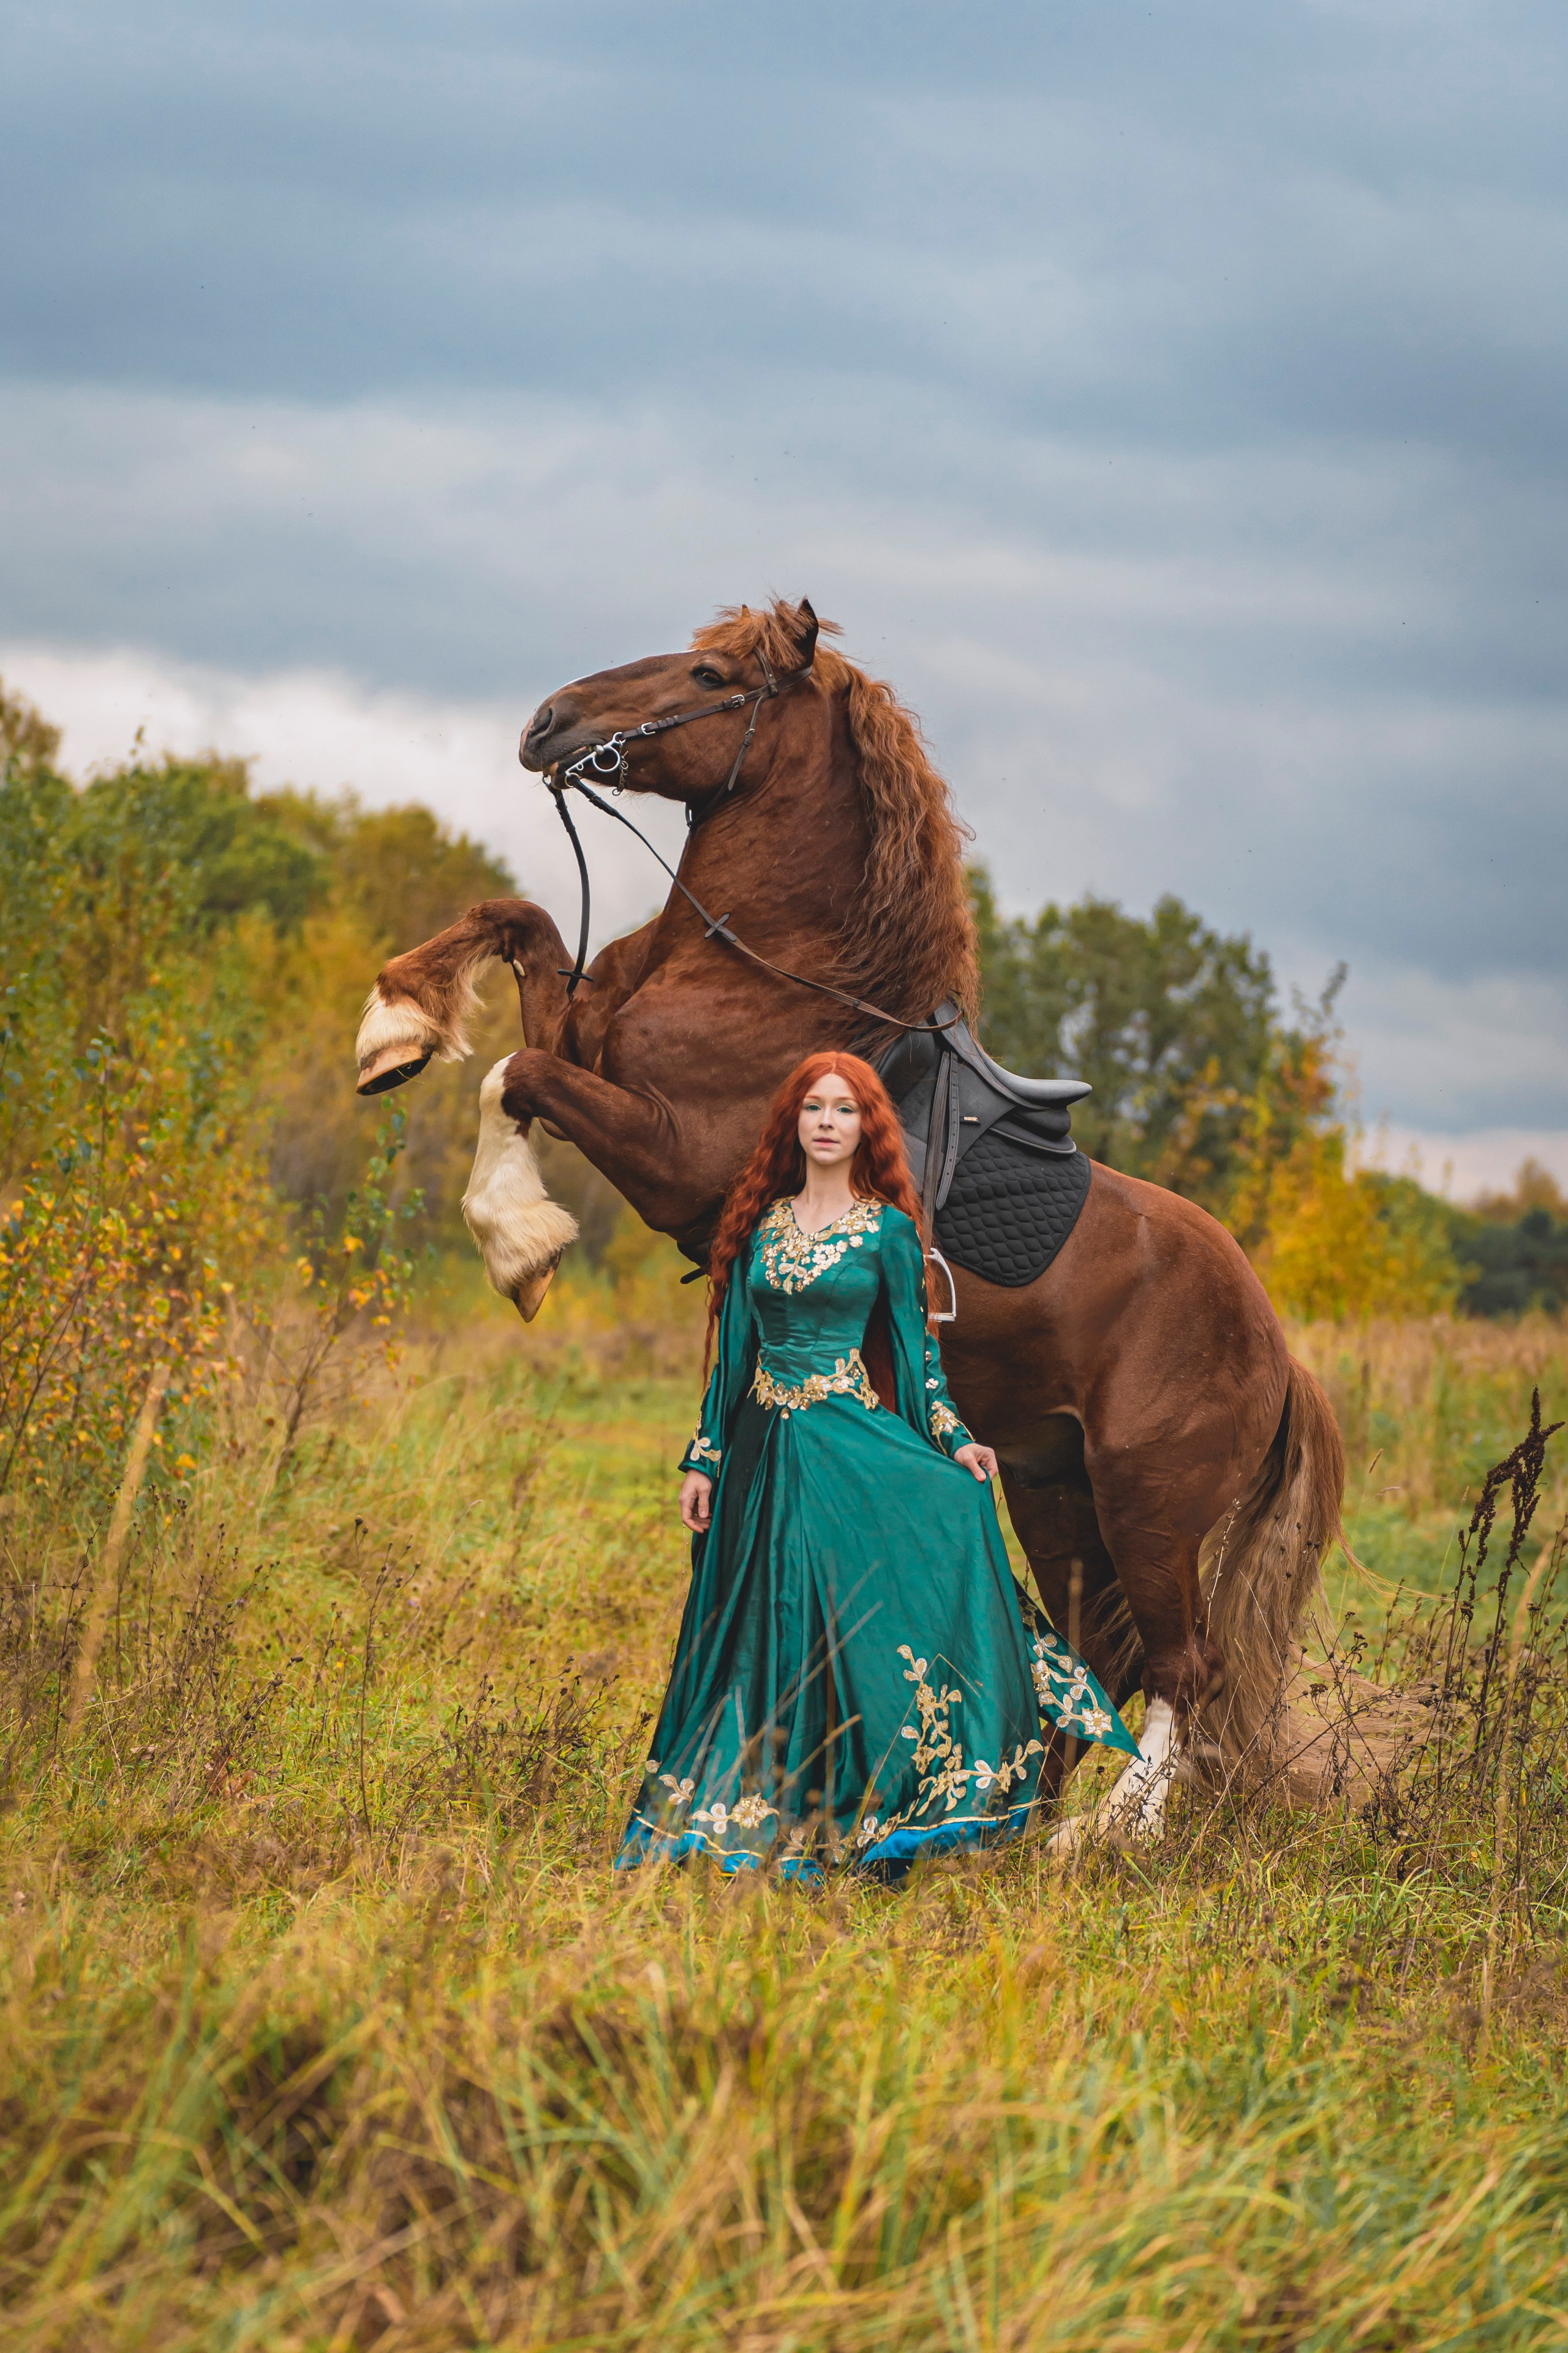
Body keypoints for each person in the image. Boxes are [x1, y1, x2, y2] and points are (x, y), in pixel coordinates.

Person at [614, 1051, 1136, 1879]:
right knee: (760, 1629)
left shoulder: (891, 1234)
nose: (827, 1121)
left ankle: (873, 1803)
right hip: (761, 1459)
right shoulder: (757, 1226)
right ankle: (743, 1817)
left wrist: (954, 1439)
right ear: (794, 1121)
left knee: (854, 1620)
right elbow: (733, 1357)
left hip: (850, 1452)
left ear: (868, 1128)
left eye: (845, 1109)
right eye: (814, 1107)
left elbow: (916, 1356)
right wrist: (705, 1458)